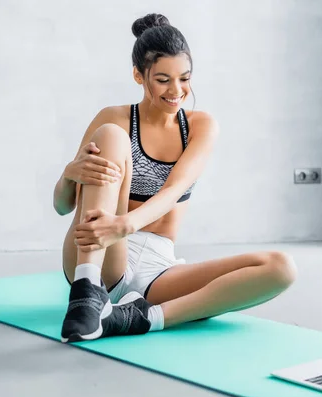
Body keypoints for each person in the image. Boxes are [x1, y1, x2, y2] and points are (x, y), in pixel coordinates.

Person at [53, 13, 297, 343]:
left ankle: (142, 318)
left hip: (157, 267)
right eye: (163, 79)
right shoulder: (116, 117)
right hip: (100, 253)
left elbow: (175, 189)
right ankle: (86, 293)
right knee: (111, 134)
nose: (177, 90)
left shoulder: (200, 125)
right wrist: (69, 175)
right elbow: (63, 206)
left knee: (280, 267)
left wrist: (126, 225)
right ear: (139, 76)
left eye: (184, 78)